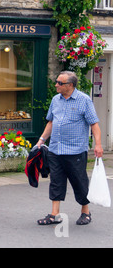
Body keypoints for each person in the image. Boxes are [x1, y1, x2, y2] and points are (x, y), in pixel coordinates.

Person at [36, 71, 103, 226]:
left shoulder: (84, 100)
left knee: (79, 181)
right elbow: (51, 122)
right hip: (55, 149)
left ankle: (85, 212)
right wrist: (41, 140)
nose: (56, 85)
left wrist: (98, 145)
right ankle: (54, 214)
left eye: (60, 83)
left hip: (75, 150)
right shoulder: (55, 100)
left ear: (70, 85)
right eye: (57, 82)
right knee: (56, 182)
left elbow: (94, 124)